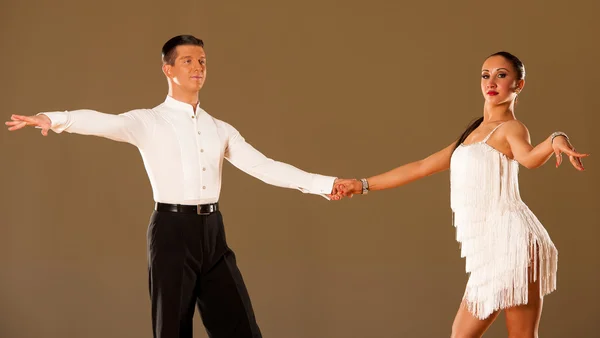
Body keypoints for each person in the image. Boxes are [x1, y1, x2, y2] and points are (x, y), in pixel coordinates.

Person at [5, 35, 347, 338]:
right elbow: (103, 122)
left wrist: (325, 184)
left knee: (241, 328)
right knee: (171, 329)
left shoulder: (220, 128)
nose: (197, 67)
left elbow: (264, 167)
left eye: (202, 62)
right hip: (171, 232)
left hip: (213, 233)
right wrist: (54, 118)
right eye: (187, 61)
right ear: (168, 69)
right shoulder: (147, 121)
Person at [334, 51, 589, 337]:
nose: (491, 81)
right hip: (489, 248)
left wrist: (556, 138)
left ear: (519, 85)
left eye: (501, 75)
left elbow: (528, 158)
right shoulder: (471, 135)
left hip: (514, 243)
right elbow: (421, 167)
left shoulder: (511, 129)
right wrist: (362, 184)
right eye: (485, 75)